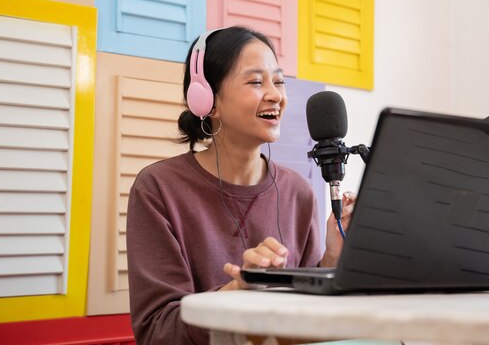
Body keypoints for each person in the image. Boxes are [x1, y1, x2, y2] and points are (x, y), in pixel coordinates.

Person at [126, 26, 354, 345]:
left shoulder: (298, 192)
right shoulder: (158, 188)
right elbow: (157, 333)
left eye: (278, 81)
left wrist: (331, 260)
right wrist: (237, 292)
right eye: (256, 81)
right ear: (207, 100)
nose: (276, 94)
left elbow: (309, 321)